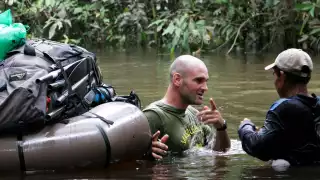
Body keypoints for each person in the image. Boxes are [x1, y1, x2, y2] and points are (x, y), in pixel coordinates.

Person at [238, 48, 320, 166]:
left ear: (281, 76)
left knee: (278, 165)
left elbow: (258, 147)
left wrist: (245, 127)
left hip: (292, 173)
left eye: (274, 74)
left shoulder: (284, 107)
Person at [144, 55, 231, 160]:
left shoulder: (194, 114)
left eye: (206, 81)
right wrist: (145, 154)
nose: (205, 88)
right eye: (199, 80)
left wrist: (221, 126)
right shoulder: (153, 116)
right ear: (177, 79)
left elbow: (220, 152)